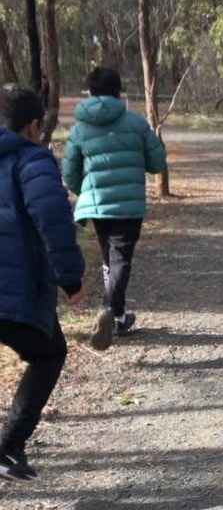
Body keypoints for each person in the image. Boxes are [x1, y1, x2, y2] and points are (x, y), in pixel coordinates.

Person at [0, 84, 85, 482]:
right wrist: (70, 280)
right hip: (14, 293)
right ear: (35, 125)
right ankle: (9, 447)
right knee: (50, 352)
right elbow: (52, 220)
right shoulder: (32, 160)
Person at [62, 67, 166, 350]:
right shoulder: (135, 123)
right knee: (120, 258)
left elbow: (69, 171)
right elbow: (157, 162)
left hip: (96, 206)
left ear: (90, 91)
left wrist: (85, 191)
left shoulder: (79, 128)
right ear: (118, 91)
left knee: (110, 258)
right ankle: (110, 308)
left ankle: (118, 316)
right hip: (128, 204)